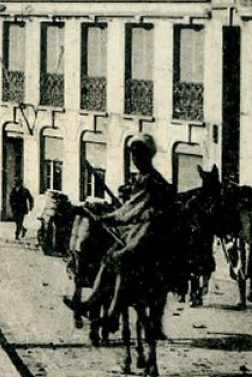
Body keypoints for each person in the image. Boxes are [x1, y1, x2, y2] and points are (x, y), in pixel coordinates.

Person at [64, 134, 179, 321]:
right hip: (137, 229)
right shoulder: (142, 177)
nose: (135, 160)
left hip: (150, 231)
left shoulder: (150, 179)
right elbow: (130, 209)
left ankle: (113, 313)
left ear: (147, 156)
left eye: (138, 156)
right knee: (108, 256)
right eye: (133, 156)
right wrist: (108, 218)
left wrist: (107, 218)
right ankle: (92, 301)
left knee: (121, 259)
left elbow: (131, 209)